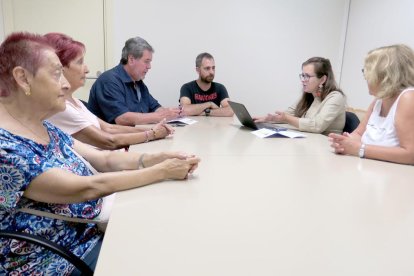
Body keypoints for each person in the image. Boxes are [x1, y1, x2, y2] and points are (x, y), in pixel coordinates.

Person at [0, 32, 200, 275]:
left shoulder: (43, 126)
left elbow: (104, 158)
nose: (65, 83)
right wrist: (161, 171)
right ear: (22, 78)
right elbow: (87, 187)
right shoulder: (6, 148)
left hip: (89, 230)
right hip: (57, 257)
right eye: (56, 73)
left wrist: (158, 158)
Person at [44, 33, 173, 150]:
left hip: (111, 153)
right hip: (107, 155)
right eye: (80, 62)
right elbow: (109, 139)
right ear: (60, 69)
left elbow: (109, 128)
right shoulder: (62, 107)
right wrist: (152, 133)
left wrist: (153, 129)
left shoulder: (76, 102)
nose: (87, 69)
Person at [329, 44, 414, 165]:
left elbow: (411, 154)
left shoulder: (408, 98)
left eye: (367, 71)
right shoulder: (379, 100)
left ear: (384, 75)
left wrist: (360, 149)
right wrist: (344, 143)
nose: (365, 76)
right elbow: (358, 134)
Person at [88, 36, 180, 125]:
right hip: (110, 138)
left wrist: (173, 113)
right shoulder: (109, 80)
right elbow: (122, 118)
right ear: (131, 60)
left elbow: (155, 107)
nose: (149, 66)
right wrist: (159, 116)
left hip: (135, 135)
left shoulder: (138, 82)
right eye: (146, 61)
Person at [253, 57, 346, 135]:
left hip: (326, 147)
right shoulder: (310, 94)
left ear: (322, 79)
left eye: (307, 76)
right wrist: (267, 119)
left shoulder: (336, 97)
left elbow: (317, 126)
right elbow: (289, 114)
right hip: (309, 142)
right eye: (302, 75)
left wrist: (286, 118)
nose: (303, 80)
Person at [179, 52, 234, 117]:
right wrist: (209, 104)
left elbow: (230, 111)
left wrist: (206, 112)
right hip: (194, 126)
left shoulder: (220, 88)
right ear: (198, 70)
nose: (211, 72)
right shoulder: (187, 87)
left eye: (213, 68)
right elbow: (184, 110)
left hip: (215, 126)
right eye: (207, 68)